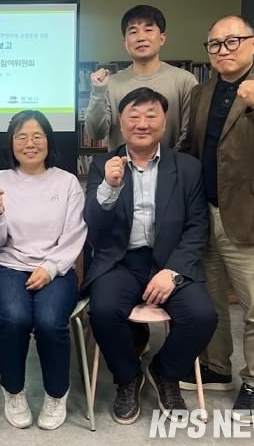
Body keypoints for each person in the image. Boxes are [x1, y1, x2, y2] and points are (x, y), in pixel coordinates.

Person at [179, 15, 254, 423]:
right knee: (210, 301)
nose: (223, 50)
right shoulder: (201, 92)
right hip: (206, 215)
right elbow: (191, 149)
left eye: (232, 41)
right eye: (214, 44)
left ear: (253, 43)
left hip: (253, 218)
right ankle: (217, 367)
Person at [83, 87, 217, 425]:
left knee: (202, 316)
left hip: (170, 262)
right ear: (121, 122)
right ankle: (128, 377)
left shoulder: (187, 168)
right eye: (134, 116)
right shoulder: (102, 165)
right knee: (103, 311)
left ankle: (165, 372)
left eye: (151, 115)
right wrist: (110, 187)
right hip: (120, 262)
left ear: (164, 120)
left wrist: (172, 271)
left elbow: (197, 227)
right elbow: (94, 226)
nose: (142, 123)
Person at [0, 110, 86, 430]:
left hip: (57, 269)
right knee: (15, 318)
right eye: (21, 136)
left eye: (38, 136)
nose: (30, 143)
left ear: (49, 141)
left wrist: (50, 268)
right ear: (11, 143)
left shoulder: (67, 182)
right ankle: (14, 391)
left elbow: (74, 234)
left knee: (50, 322)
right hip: (10, 267)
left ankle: (56, 394)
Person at [85, 5, 197, 150]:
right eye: (133, 32)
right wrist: (98, 92)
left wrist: (170, 162)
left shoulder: (185, 81)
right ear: (125, 42)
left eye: (148, 30)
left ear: (162, 38)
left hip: (173, 164)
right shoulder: (111, 83)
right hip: (122, 164)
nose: (141, 38)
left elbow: (190, 134)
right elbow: (95, 134)